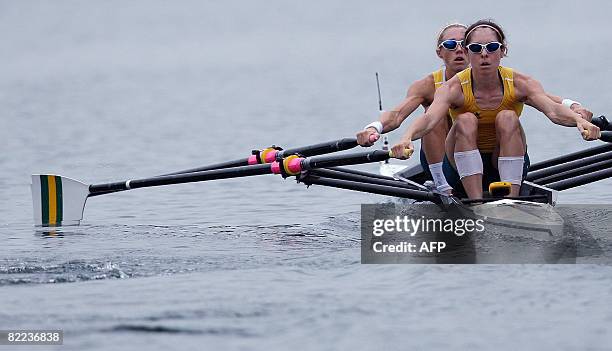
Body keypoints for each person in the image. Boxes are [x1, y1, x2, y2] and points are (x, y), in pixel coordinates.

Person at [389, 19, 600, 199]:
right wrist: (406, 137)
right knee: (465, 119)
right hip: (458, 168)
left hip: (501, 159)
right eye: (475, 49)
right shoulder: (452, 88)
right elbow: (429, 120)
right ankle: (476, 203)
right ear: (468, 52)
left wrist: (580, 121)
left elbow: (552, 110)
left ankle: (511, 200)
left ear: (502, 51)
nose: (484, 54)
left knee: (508, 117)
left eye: (491, 48)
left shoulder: (520, 82)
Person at [356, 23, 469, 194]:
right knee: (432, 116)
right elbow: (397, 115)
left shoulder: (491, 82)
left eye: (465, 44)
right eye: (451, 45)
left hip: (477, 152)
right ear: (439, 52)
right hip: (443, 161)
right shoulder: (427, 86)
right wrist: (373, 127)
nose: (459, 49)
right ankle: (442, 185)